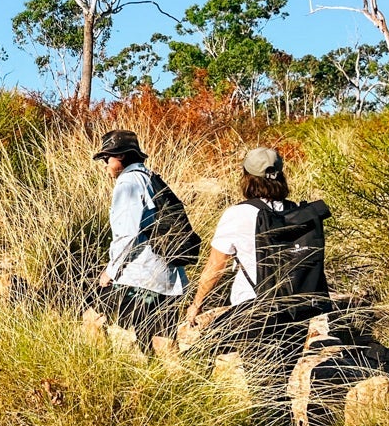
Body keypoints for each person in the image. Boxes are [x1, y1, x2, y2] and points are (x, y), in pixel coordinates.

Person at [180, 147, 330, 358]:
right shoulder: (297, 212)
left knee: (208, 355)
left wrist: (197, 304)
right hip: (297, 308)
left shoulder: (237, 214)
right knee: (283, 370)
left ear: (247, 178)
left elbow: (216, 266)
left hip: (254, 306)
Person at [94, 129, 187, 343]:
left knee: (94, 317)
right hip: (168, 276)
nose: (105, 165)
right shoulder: (151, 178)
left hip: (140, 277)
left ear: (120, 155)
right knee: (163, 340)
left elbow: (127, 234)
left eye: (106, 158)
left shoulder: (128, 183)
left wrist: (110, 271)